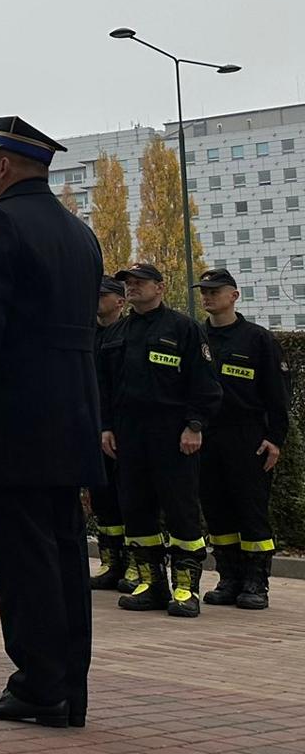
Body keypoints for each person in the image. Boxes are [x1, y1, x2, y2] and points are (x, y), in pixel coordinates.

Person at [0, 116, 103, 729]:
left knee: (22, 557)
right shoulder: (79, 231)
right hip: (70, 412)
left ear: (5, 165)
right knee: (64, 550)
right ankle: (69, 687)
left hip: (13, 414)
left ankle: (38, 685)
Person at [108, 261, 220, 617]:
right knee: (136, 510)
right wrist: (105, 426)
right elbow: (104, 386)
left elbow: (204, 383)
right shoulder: (118, 332)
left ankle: (186, 590)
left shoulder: (183, 328)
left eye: (141, 282)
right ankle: (150, 584)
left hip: (172, 433)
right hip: (129, 433)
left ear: (160, 287)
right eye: (128, 283)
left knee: (181, 510)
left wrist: (195, 425)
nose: (132, 287)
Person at [194, 268, 287, 610]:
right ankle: (229, 577)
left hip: (247, 436)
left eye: (215, 291)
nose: (207, 296)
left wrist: (275, 439)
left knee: (251, 511)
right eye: (204, 291)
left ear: (234, 295)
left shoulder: (257, 339)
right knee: (217, 511)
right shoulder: (196, 337)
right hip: (207, 435)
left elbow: (278, 395)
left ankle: (256, 582)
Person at [88, 277, 130, 591]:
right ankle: (110, 562)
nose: (96, 300)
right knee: (103, 501)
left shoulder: (129, 333)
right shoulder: (88, 335)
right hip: (92, 428)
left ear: (120, 300)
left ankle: (135, 566)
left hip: (124, 429)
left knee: (131, 498)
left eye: (103, 295)